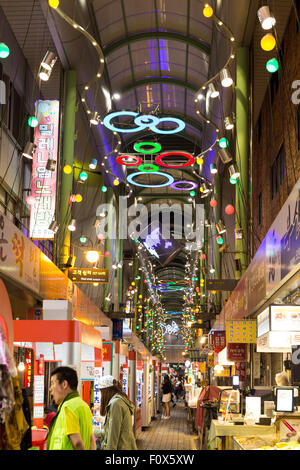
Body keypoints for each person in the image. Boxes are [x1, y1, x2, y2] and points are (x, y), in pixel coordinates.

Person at [47, 366, 96, 450]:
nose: (50, 389)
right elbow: (92, 442)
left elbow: (77, 443)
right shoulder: (84, 406)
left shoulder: (68, 407)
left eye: (52, 383)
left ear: (64, 384)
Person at [95, 375, 137, 450]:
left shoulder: (115, 404)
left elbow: (112, 436)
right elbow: (110, 432)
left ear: (106, 391)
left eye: (101, 391)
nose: (101, 395)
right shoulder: (120, 400)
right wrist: (93, 432)